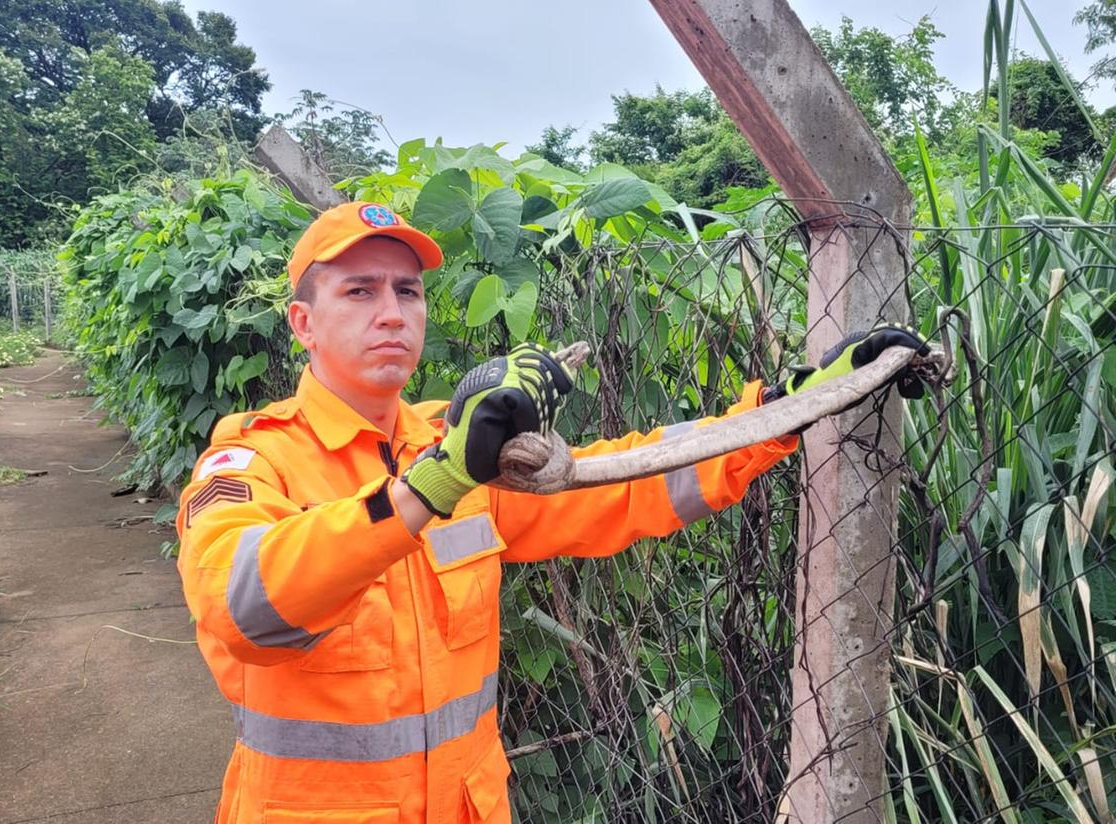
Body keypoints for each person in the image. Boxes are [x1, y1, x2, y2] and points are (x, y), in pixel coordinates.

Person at [175, 201, 928, 824]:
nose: (392, 313)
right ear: (303, 324)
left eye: (408, 292)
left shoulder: (456, 443)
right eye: (359, 291)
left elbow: (618, 484)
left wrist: (781, 414)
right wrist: (434, 483)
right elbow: (243, 608)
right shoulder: (251, 460)